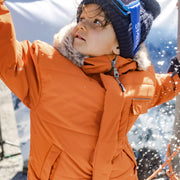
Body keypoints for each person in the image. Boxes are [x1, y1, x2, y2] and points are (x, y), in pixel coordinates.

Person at [0, 0, 180, 179]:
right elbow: (6, 55)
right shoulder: (43, 66)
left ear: (120, 45)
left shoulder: (139, 82)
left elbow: (164, 87)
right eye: (82, 18)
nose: (81, 26)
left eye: (97, 22)